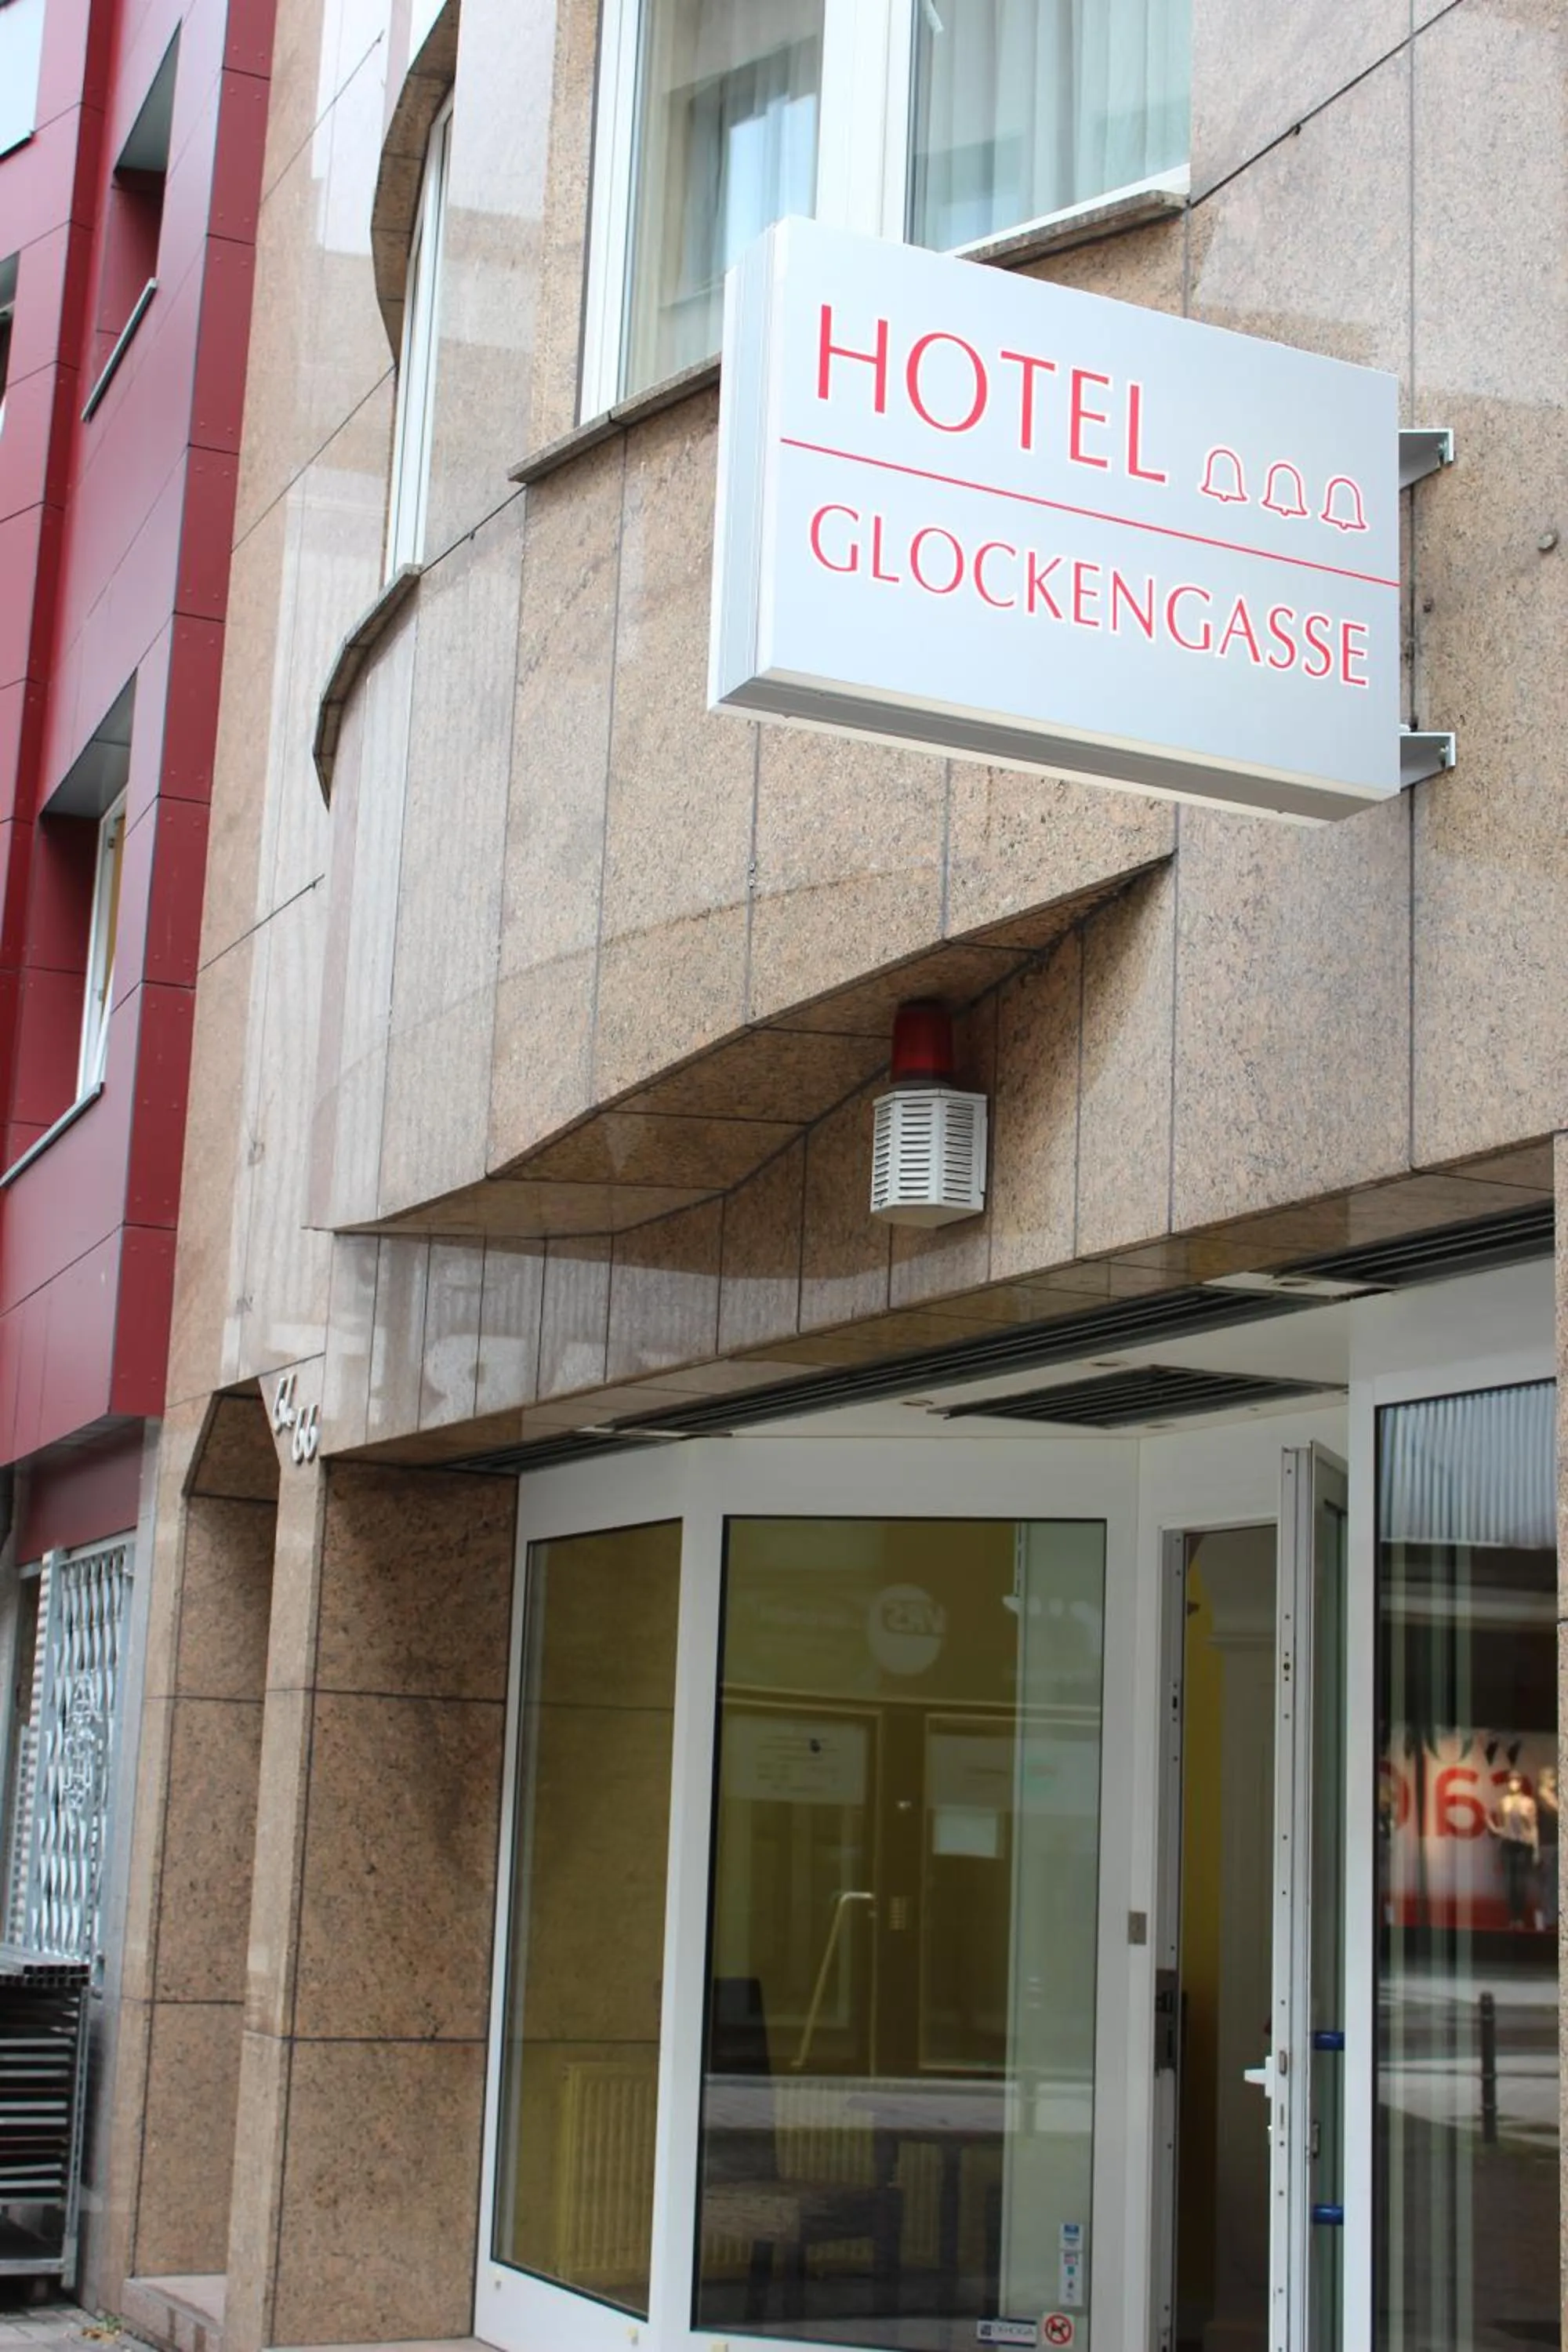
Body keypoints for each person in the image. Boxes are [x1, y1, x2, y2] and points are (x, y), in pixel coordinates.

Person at [1487, 1769, 1540, 1930]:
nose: (1514, 1783)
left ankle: (1519, 1917)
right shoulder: (1504, 1801)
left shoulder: (1528, 1802)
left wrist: (1536, 1850)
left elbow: (1533, 1827)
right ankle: (1512, 1918)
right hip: (1508, 1844)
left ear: (1521, 1783)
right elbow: (1490, 1814)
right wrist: (1495, 1828)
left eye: (1517, 1780)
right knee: (1510, 1882)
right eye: (1511, 1780)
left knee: (1521, 1883)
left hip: (1523, 1845)